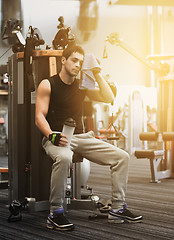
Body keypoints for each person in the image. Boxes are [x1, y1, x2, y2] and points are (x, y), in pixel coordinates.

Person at [35, 45, 143, 231]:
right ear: (64, 60)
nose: (78, 65)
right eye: (74, 60)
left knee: (122, 157)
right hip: (57, 137)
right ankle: (56, 212)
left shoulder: (82, 85)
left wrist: (97, 73)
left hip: (82, 137)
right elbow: (39, 116)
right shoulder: (48, 84)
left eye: (81, 62)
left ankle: (117, 209)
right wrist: (51, 135)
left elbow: (108, 97)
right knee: (65, 157)